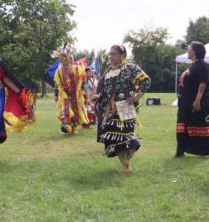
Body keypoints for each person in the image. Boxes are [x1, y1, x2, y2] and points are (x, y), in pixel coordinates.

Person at [95, 44, 151, 172]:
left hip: (126, 106)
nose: (111, 56)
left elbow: (146, 81)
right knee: (111, 136)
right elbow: (105, 88)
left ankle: (126, 162)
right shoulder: (108, 70)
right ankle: (125, 164)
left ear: (123, 55)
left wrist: (137, 96)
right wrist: (98, 96)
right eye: (110, 54)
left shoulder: (131, 68)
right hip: (110, 108)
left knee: (124, 137)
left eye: (114, 54)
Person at [175, 41, 209, 157]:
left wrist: (198, 99)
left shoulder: (202, 65)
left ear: (194, 51)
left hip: (197, 101)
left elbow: (202, 83)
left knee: (200, 123)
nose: (187, 51)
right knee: (182, 124)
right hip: (185, 101)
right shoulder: (192, 65)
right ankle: (181, 150)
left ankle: (206, 150)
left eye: (189, 49)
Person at [54, 46, 89, 134]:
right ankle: (64, 124)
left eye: (66, 63)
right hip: (64, 93)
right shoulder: (58, 72)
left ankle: (72, 128)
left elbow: (84, 80)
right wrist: (55, 95)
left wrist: (85, 92)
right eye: (63, 63)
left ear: (70, 61)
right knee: (66, 108)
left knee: (76, 110)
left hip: (76, 94)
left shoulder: (77, 69)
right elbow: (56, 84)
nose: (65, 65)